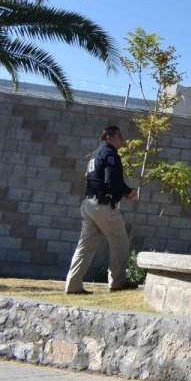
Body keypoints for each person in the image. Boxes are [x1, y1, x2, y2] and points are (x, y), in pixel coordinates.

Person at [65, 126, 138, 294]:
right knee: (121, 243)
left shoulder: (95, 154)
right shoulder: (110, 154)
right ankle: (117, 282)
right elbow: (111, 180)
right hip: (103, 206)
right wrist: (128, 192)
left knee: (85, 247)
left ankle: (73, 285)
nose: (122, 139)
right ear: (109, 138)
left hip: (88, 204)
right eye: (119, 136)